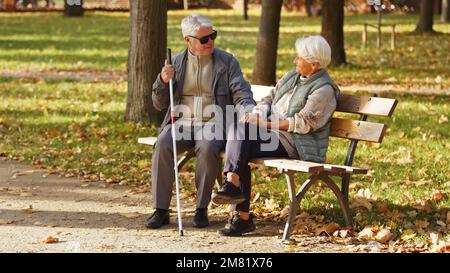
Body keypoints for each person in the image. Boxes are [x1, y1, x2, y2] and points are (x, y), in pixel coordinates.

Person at [212, 35, 340, 236]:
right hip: (270, 133)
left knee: (240, 144)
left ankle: (236, 200)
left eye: (299, 58)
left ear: (314, 64)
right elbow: (269, 98)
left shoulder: (324, 90)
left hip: (294, 142)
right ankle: (234, 189)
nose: (295, 61)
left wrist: (265, 124)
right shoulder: (292, 76)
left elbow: (303, 123)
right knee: (240, 133)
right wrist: (256, 114)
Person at [147, 14, 255, 229]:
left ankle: (201, 208)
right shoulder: (175, 62)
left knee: (207, 147)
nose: (210, 42)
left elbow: (241, 92)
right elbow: (159, 104)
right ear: (188, 40)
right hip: (182, 123)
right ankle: (160, 209)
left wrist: (248, 109)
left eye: (213, 36)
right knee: (163, 143)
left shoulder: (227, 61)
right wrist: (162, 81)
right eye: (204, 39)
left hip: (214, 124)